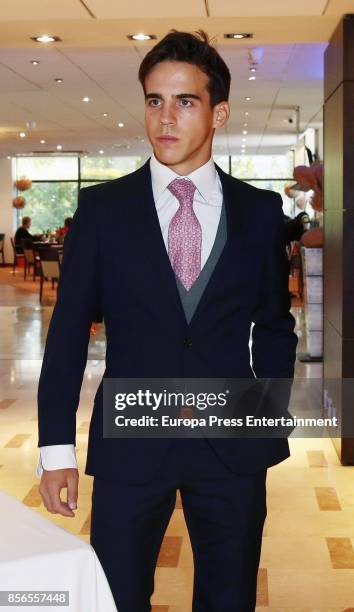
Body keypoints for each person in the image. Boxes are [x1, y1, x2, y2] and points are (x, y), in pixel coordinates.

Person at [38, 30, 298, 612]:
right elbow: (66, 338)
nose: (165, 117)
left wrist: (264, 412)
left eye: (185, 101)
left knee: (229, 599)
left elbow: (276, 325)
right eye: (155, 100)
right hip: (132, 441)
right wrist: (56, 449)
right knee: (118, 596)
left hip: (231, 444)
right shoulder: (103, 211)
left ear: (218, 113)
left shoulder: (259, 213)